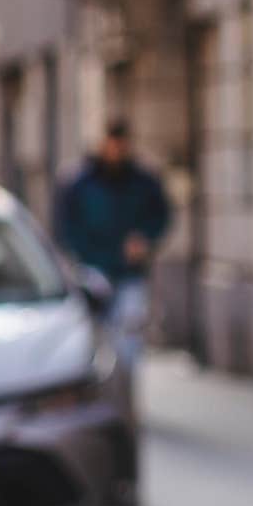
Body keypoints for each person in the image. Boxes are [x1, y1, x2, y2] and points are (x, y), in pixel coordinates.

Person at [53, 119, 173, 369]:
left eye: (121, 144)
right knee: (95, 335)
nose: (116, 150)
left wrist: (145, 238)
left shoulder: (143, 180)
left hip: (130, 272)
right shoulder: (80, 181)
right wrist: (85, 254)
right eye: (112, 144)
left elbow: (160, 215)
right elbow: (66, 226)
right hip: (93, 269)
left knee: (129, 334)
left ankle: (125, 384)